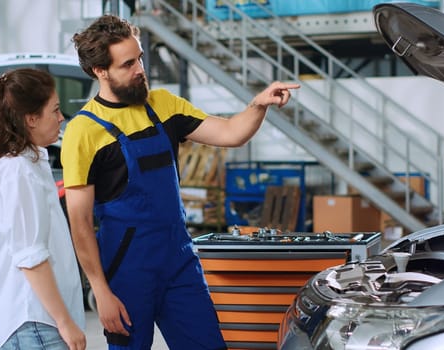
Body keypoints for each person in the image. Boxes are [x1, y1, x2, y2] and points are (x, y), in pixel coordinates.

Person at [61, 14, 300, 350]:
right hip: (127, 271)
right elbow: (81, 223)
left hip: (178, 261)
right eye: (127, 64)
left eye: (140, 58)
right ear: (100, 70)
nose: (140, 69)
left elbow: (231, 133)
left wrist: (258, 104)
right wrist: (100, 291)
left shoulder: (163, 106)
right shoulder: (83, 132)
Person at [0, 68, 87, 350]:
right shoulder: (18, 171)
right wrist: (65, 322)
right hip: (36, 322)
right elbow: (29, 256)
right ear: (31, 119)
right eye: (55, 110)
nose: (61, 118)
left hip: (38, 322)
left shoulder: (25, 165)